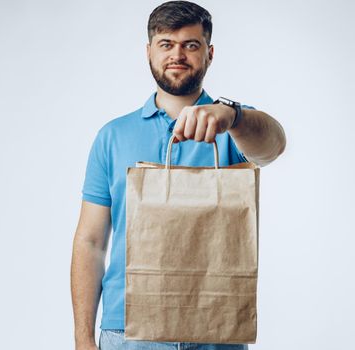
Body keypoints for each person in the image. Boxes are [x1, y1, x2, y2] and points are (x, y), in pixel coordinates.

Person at [70, 1, 286, 349]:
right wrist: (83, 338)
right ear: (149, 52)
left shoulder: (233, 129)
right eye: (166, 44)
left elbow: (274, 146)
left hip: (216, 326)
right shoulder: (112, 136)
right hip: (127, 331)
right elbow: (91, 242)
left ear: (209, 53)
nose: (177, 55)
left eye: (191, 45)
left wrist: (231, 116)